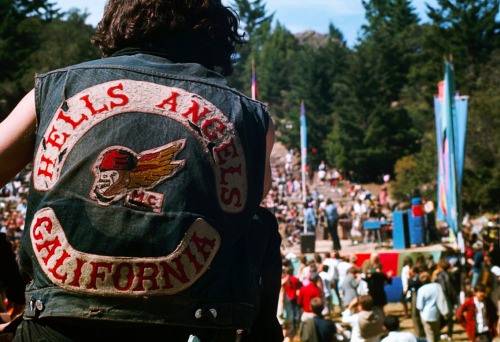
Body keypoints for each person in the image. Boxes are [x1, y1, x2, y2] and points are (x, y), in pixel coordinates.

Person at [0, 1, 281, 341]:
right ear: (215, 32)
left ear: (118, 22)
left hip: (57, 323)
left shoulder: (56, 88)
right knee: (260, 223)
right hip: (191, 323)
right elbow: (251, 199)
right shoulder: (249, 115)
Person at [416, 272, 450, 342]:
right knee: (437, 334)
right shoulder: (437, 286)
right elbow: (442, 299)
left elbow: (419, 305)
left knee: (429, 335)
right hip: (436, 314)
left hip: (425, 315)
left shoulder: (421, 290)